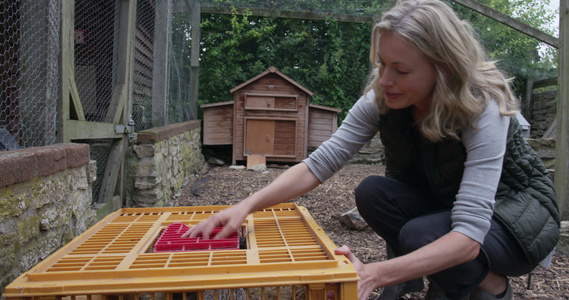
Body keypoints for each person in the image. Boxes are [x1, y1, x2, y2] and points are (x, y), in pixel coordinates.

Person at [183, 0, 560, 299]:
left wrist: (374, 273)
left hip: (516, 215)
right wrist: (243, 206)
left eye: (400, 69)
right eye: (381, 63)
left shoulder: (482, 109)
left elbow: (467, 237)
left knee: (422, 235)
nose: (384, 79)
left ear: (443, 68)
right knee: (373, 193)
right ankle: (433, 278)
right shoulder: (381, 98)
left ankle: (492, 286)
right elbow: (321, 162)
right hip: (449, 203)